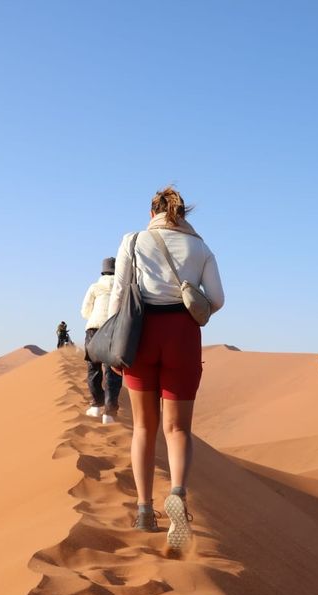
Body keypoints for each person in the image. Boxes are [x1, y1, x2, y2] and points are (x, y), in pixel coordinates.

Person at [108, 186, 224, 548]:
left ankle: (145, 511)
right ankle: (177, 492)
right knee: (178, 430)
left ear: (152, 212)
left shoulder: (133, 241)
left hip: (141, 334)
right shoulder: (201, 248)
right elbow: (217, 300)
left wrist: (116, 347)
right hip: (183, 337)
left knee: (144, 426)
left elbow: (119, 293)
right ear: (182, 214)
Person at [81, 257, 123, 424]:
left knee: (93, 369)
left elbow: (85, 312)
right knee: (112, 371)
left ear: (102, 271)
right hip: (114, 330)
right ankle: (110, 413)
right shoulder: (123, 287)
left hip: (93, 329)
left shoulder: (95, 287)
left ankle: (96, 405)